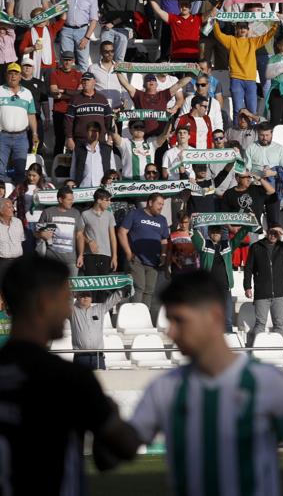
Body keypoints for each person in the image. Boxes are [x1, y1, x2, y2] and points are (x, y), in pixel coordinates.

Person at [101, 270, 283, 495]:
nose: (171, 332)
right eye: (170, 321)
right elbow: (123, 450)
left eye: (180, 320)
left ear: (215, 316)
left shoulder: (269, 382)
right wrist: (105, 418)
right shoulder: (165, 388)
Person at [0, 254, 144, 495]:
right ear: (46, 302)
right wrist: (111, 412)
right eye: (65, 299)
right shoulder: (69, 378)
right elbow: (119, 451)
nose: (69, 309)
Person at [243, 226, 283, 344]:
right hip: (262, 292)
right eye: (271, 232)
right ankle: (258, 350)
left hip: (280, 292)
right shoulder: (256, 247)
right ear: (266, 233)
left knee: (279, 324)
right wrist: (247, 286)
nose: (273, 235)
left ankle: (279, 348)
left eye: (276, 233)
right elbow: (248, 268)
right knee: (260, 324)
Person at [118, 193, 170, 320]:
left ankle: (144, 319)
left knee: (149, 290)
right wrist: (128, 252)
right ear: (150, 203)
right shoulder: (135, 214)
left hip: (154, 262)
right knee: (139, 287)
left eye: (162, 205)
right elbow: (121, 232)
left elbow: (164, 241)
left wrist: (163, 255)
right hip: (137, 260)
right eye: (159, 204)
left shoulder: (162, 219)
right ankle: (134, 318)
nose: (161, 207)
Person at [69, 285, 128, 370]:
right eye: (82, 295)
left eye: (88, 295)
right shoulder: (72, 311)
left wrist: (124, 285)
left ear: (91, 298)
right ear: (77, 297)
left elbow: (113, 299)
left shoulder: (99, 309)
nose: (85, 297)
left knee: (100, 382)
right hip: (81, 357)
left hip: (98, 357)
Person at [39, 186, 84, 275]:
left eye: (72, 199)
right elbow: (37, 233)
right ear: (60, 199)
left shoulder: (76, 213)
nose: (72, 202)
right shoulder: (48, 212)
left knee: (71, 288)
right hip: (51, 260)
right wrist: (42, 234)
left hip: (71, 260)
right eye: (69, 199)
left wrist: (80, 255)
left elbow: (79, 236)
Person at [80, 187, 117, 275]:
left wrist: (114, 256)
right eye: (107, 200)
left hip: (106, 255)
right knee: (92, 285)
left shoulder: (109, 215)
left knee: (104, 286)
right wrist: (89, 241)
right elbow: (79, 233)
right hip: (89, 255)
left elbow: (113, 237)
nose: (109, 202)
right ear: (99, 200)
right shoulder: (85, 214)